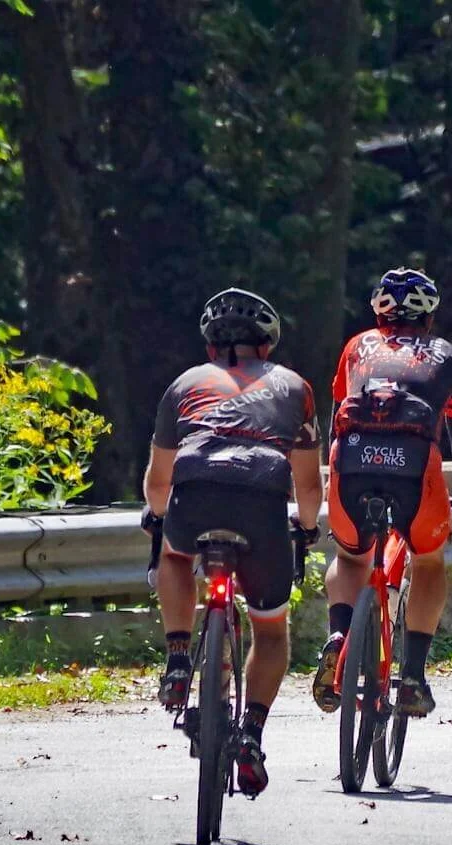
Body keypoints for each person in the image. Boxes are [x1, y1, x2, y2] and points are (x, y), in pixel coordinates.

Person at [143, 287, 323, 798]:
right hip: (261, 501)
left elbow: (158, 483)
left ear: (209, 346)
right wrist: (305, 528)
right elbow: (308, 489)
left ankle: (179, 657)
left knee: (175, 554)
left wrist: (159, 518)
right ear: (266, 347)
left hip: (194, 491)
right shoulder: (294, 387)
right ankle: (251, 735)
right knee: (270, 631)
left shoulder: (184, 384)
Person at [314, 268, 452, 718]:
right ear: (429, 317)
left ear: (378, 312)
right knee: (430, 563)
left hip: (350, 463)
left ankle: (338, 635)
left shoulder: (356, 347)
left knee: (351, 558)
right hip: (415, 470)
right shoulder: (450, 357)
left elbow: (338, 418)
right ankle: (412, 675)